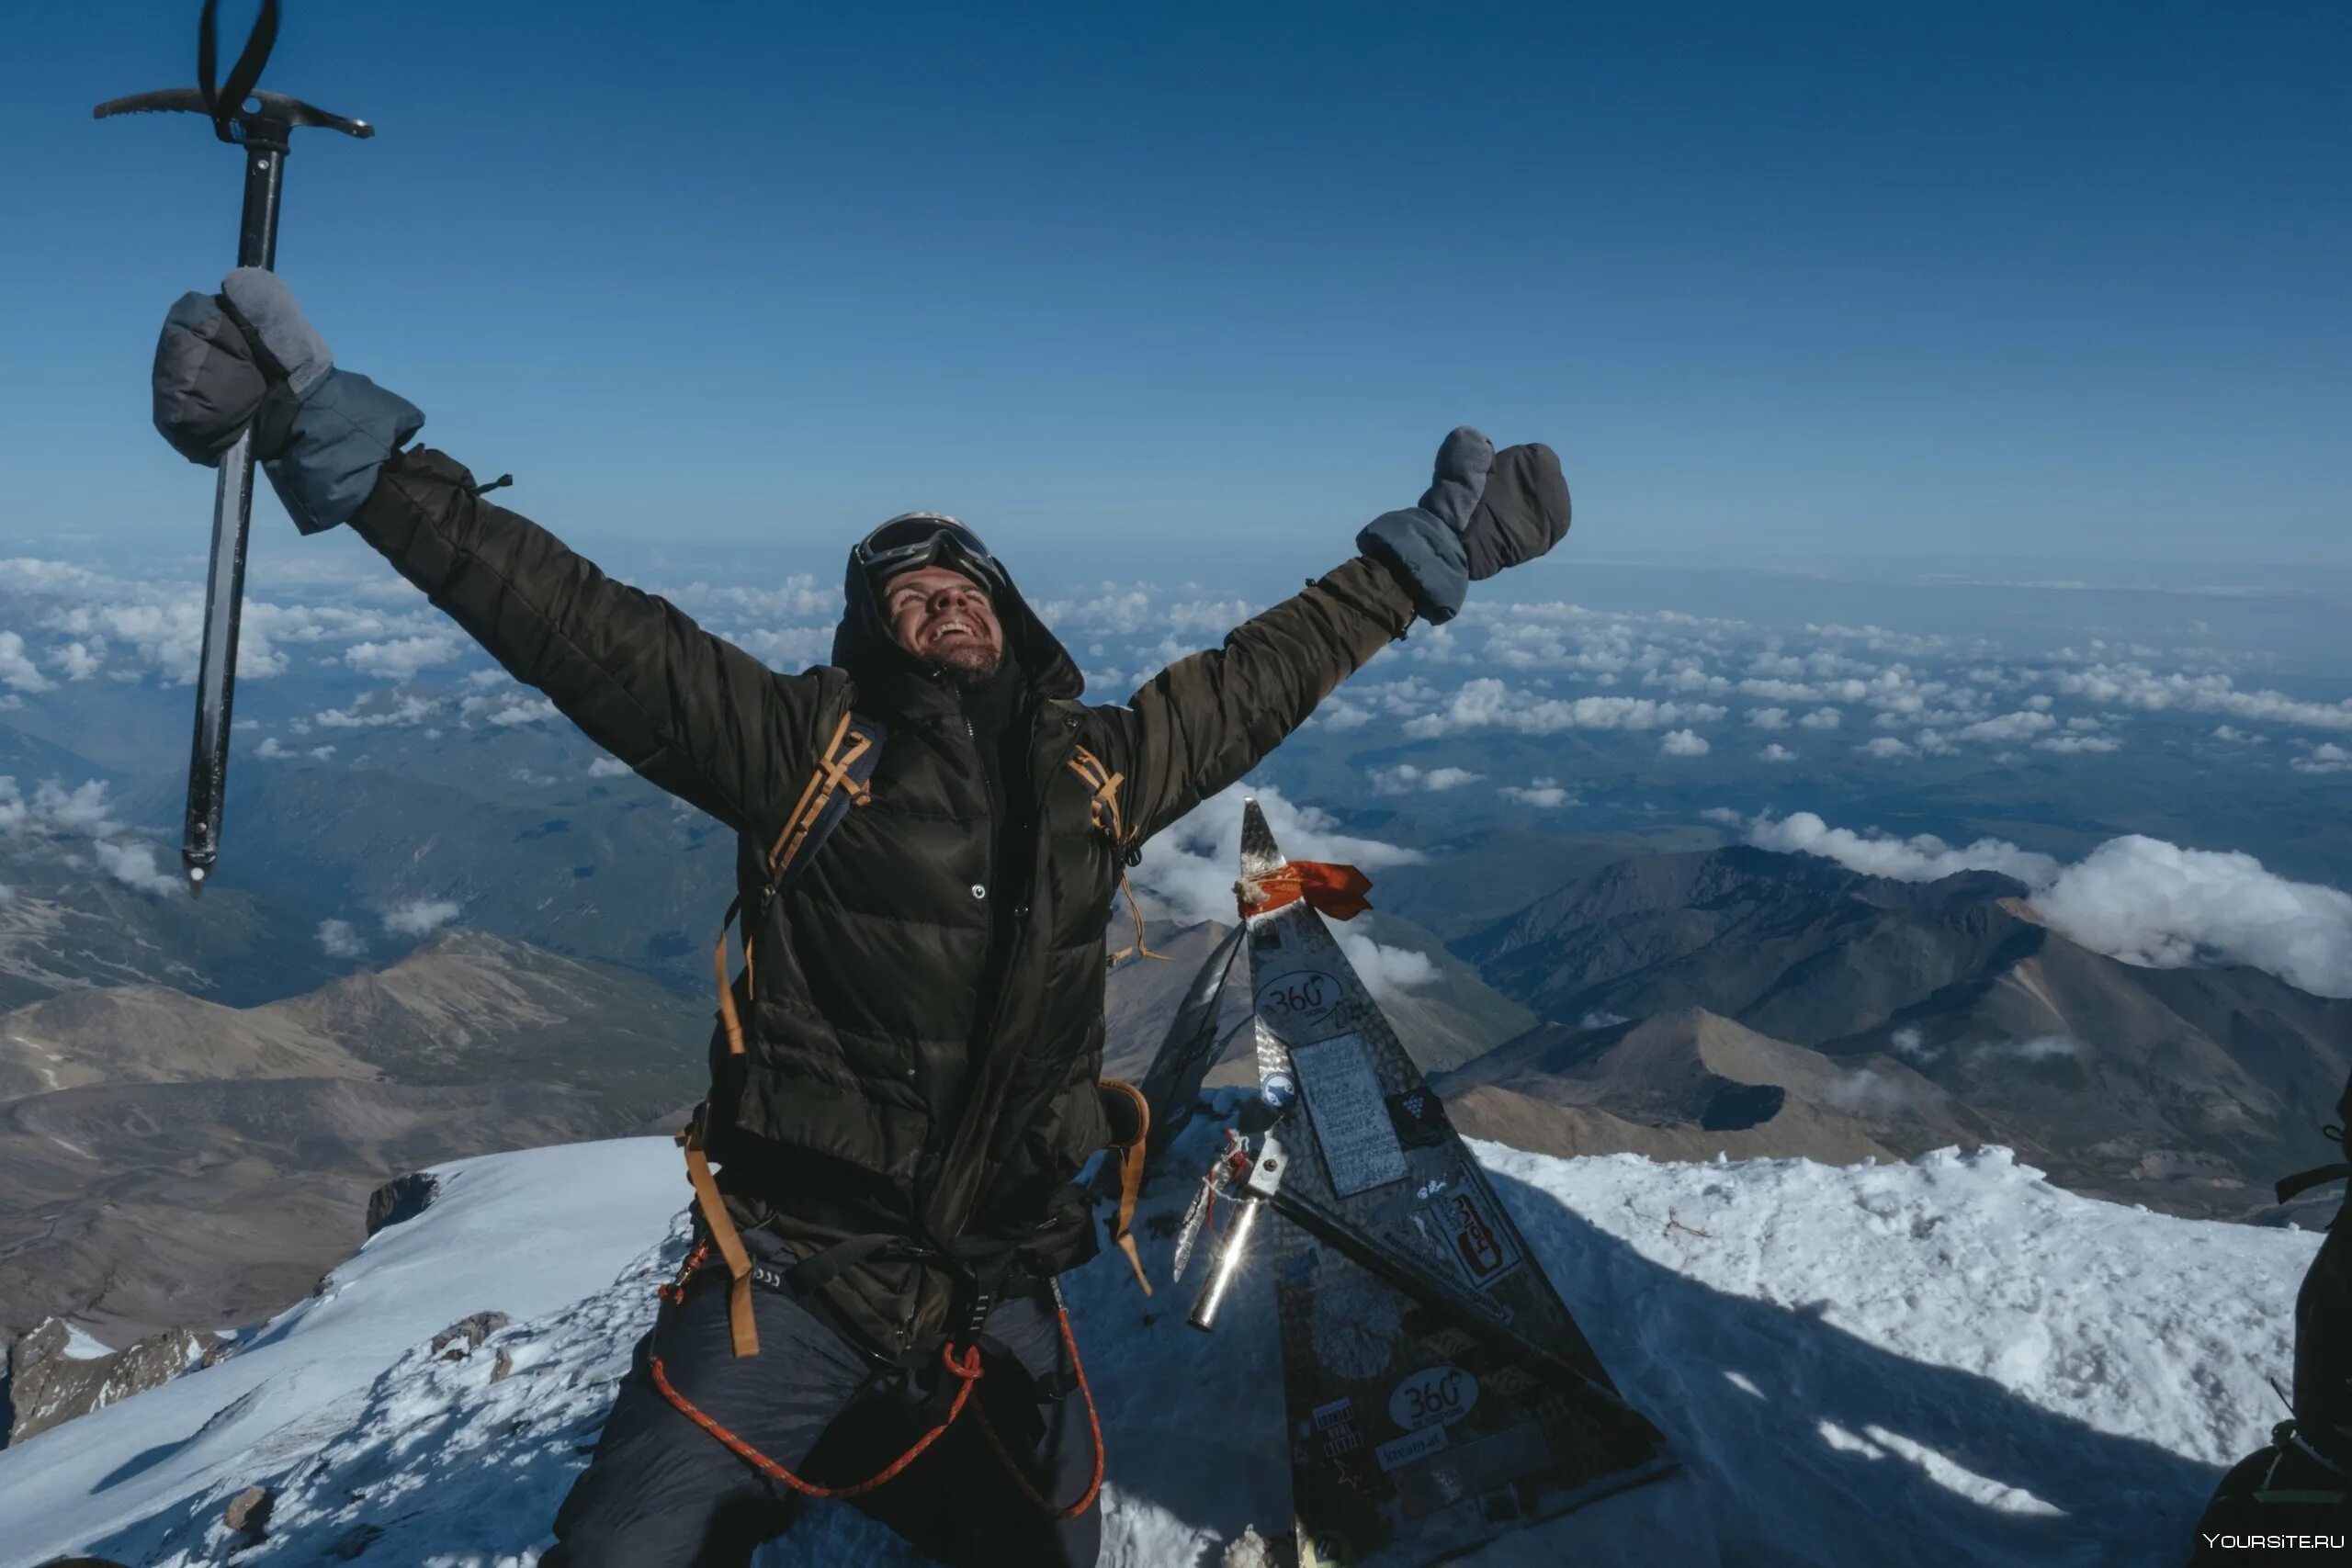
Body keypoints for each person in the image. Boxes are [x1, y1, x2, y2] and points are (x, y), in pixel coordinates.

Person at [149, 268, 1575, 1567]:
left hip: (994, 1288)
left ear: (1010, 617)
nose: (944, 606)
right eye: (910, 597)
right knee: (616, 1553)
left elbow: (1265, 672)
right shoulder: (801, 753)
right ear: (869, 634)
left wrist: (1420, 556)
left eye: (966, 588)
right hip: (796, 1279)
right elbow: (573, 623)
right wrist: (348, 451)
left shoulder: (1102, 769)